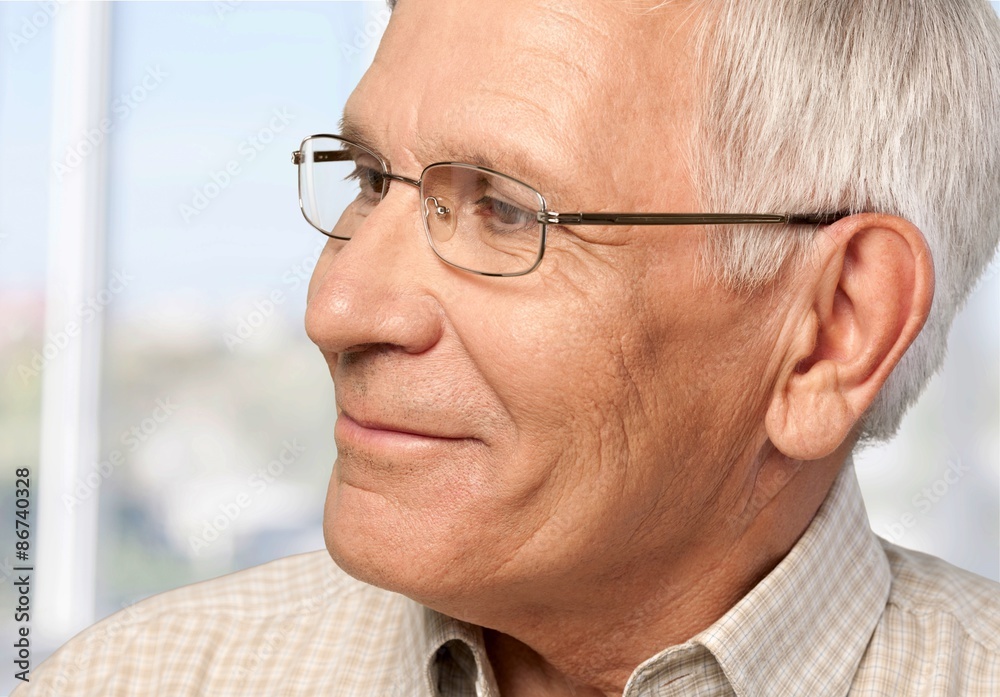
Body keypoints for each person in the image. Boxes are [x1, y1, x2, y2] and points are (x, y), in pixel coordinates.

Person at [19, 0, 1000, 695]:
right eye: (367, 177)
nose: (338, 304)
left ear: (832, 331)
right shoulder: (135, 679)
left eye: (500, 208)